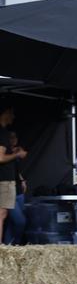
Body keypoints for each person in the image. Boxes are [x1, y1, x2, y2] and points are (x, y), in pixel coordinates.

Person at [0, 104, 26, 244]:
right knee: (3, 215)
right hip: (4, 181)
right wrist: (16, 155)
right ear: (5, 112)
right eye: (12, 113)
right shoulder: (2, 132)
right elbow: (1, 158)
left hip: (13, 185)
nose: (13, 117)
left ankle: (8, 247)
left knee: (5, 216)